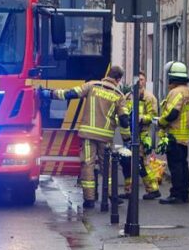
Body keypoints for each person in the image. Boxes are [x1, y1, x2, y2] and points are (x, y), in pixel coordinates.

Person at [39, 65, 130, 209]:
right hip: (105, 137)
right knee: (107, 166)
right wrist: (127, 139)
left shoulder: (92, 86)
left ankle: (89, 200)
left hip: (88, 134)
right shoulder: (119, 95)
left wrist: (48, 94)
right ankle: (111, 196)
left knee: (87, 165)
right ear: (118, 79)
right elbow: (124, 120)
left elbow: (69, 94)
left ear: (108, 74)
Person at [157, 61, 189, 205]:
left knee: (175, 166)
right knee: (183, 165)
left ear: (172, 78)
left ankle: (176, 194)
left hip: (174, 134)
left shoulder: (176, 92)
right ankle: (184, 194)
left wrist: (161, 122)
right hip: (184, 135)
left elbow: (173, 113)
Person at [119, 72, 161, 200]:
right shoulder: (128, 96)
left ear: (145, 81)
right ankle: (129, 190)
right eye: (137, 79)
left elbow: (154, 117)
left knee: (141, 163)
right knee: (126, 161)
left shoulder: (149, 98)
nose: (139, 82)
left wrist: (142, 118)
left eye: (142, 80)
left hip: (143, 135)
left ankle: (153, 189)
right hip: (129, 135)